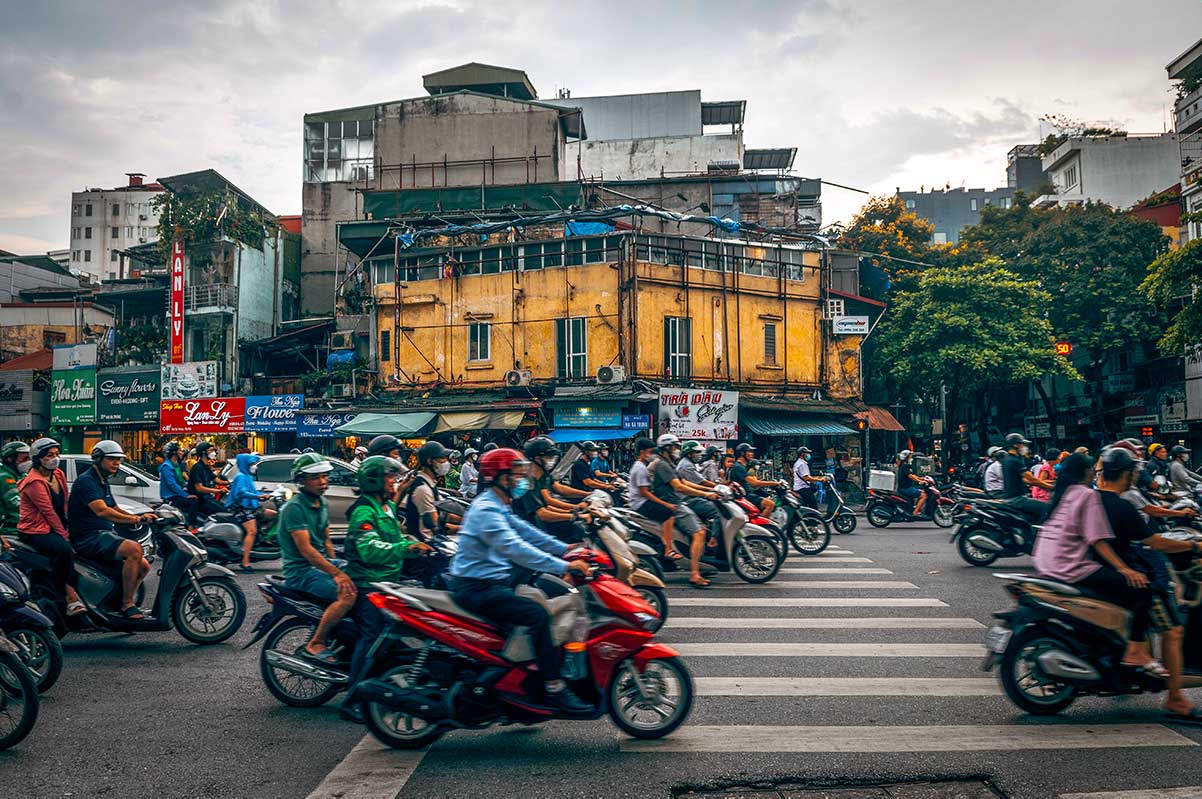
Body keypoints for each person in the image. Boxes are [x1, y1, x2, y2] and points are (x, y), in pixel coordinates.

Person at [447, 447, 592, 714]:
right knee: (537, 615)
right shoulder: (486, 511)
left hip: (490, 583)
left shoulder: (499, 505)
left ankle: (518, 682)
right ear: (500, 478)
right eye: (515, 475)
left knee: (537, 604)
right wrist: (564, 564)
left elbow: (527, 532)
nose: (521, 480)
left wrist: (565, 549)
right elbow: (516, 548)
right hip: (476, 588)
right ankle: (554, 687)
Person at [1094, 447, 1202, 722]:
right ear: (1128, 474)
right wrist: (1193, 544)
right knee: (1174, 630)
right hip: (1128, 573)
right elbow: (1155, 542)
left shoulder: (1094, 500)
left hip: (1100, 570)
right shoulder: (1122, 505)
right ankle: (1176, 699)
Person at [338, 456, 433, 722]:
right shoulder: (363, 511)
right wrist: (406, 548)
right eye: (390, 478)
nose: (394, 483)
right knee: (373, 637)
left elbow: (396, 537)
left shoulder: (387, 506)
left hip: (389, 580)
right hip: (368, 583)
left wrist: (418, 543)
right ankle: (353, 698)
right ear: (375, 482)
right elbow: (369, 549)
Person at [278, 453, 356, 664]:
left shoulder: (321, 502)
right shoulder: (293, 508)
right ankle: (317, 642)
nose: (322, 482)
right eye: (315, 477)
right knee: (348, 595)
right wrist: (337, 574)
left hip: (321, 566)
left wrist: (337, 566)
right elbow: (307, 550)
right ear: (301, 481)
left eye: (324, 476)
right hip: (301, 573)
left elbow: (326, 541)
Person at [68, 440, 156, 619]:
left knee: (144, 566)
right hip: (88, 538)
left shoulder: (102, 481)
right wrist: (135, 518)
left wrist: (144, 516)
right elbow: (102, 511)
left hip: (103, 535)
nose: (117, 463)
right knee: (134, 550)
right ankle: (127, 604)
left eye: (119, 460)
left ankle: (116, 599)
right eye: (112, 459)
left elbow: (114, 508)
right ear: (98, 459)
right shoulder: (87, 481)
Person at [15, 439, 85, 615]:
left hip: (55, 525)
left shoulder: (58, 474)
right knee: (64, 550)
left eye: (56, 454)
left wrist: (70, 525)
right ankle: (69, 596)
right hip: (35, 530)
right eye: (49, 455)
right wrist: (63, 534)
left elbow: (65, 504)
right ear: (38, 459)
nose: (54, 458)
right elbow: (48, 512)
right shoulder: (34, 482)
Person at [648, 434, 712, 588]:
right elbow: (679, 487)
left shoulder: (669, 463)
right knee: (700, 533)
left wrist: (711, 488)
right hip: (673, 504)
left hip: (677, 502)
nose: (677, 449)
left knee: (703, 528)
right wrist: (706, 494)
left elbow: (685, 482)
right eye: (675, 446)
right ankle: (695, 574)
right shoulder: (662, 465)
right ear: (667, 448)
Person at [515, 437, 588, 544]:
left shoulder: (538, 477)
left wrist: (574, 510)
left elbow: (546, 505)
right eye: (548, 457)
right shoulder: (526, 483)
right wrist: (575, 515)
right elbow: (542, 513)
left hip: (540, 530)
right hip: (531, 537)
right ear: (537, 459)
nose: (552, 460)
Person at [226, 452, 275, 572]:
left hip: (252, 507)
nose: (255, 466)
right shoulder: (240, 477)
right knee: (252, 531)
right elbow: (241, 493)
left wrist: (266, 495)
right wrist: (257, 497)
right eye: (252, 464)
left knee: (274, 515)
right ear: (245, 464)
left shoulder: (248, 476)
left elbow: (252, 491)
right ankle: (245, 562)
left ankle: (264, 538)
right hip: (241, 508)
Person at [401, 441, 450, 542]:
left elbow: (444, 512)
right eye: (442, 458)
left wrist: (468, 518)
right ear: (430, 461)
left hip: (434, 540)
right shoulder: (422, 489)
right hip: (424, 545)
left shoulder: (430, 483)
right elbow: (436, 523)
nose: (446, 462)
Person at [728, 443, 776, 516]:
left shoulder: (743, 466)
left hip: (748, 494)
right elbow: (754, 483)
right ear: (742, 453)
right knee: (770, 504)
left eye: (752, 452)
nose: (752, 454)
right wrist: (774, 483)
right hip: (745, 496)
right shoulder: (738, 467)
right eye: (749, 452)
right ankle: (761, 526)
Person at [158, 441, 197, 523]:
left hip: (178, 494)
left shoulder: (176, 465)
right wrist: (186, 495)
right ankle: (191, 526)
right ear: (174, 452)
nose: (182, 452)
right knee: (194, 502)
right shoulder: (167, 466)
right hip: (171, 496)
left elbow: (182, 481)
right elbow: (172, 484)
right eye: (179, 450)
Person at [188, 441, 228, 520]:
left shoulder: (206, 467)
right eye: (210, 450)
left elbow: (217, 480)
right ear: (203, 453)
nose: (214, 453)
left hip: (208, 497)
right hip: (200, 499)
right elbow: (199, 488)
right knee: (223, 512)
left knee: (225, 508)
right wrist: (218, 491)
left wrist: (231, 482)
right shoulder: (197, 467)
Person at [0, 441, 30, 546]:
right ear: (10, 459)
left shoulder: (21, 475)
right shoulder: (4, 477)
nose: (28, 462)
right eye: (24, 459)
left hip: (23, 528)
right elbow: (17, 503)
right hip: (10, 531)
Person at [895, 450, 929, 517]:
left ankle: (915, 508)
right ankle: (915, 512)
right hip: (906, 488)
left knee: (922, 491)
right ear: (906, 457)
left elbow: (912, 475)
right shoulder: (905, 466)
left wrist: (920, 478)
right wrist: (919, 481)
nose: (911, 458)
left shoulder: (904, 465)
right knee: (924, 495)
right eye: (910, 456)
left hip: (905, 487)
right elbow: (910, 476)